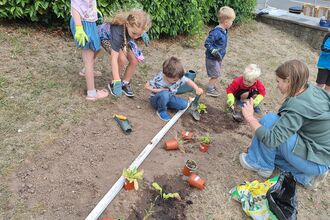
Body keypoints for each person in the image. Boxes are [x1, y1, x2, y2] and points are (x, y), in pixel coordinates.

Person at [239, 60, 330, 189]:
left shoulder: (297, 106)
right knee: (271, 148)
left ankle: (259, 164)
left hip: (316, 158)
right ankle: (305, 176)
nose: (277, 85)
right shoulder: (312, 90)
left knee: (269, 121)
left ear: (289, 81)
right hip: (321, 156)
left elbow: (272, 140)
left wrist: (250, 117)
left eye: (278, 81)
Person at [97, 9, 151, 97]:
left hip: (125, 37)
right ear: (127, 24)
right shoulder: (118, 32)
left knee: (134, 60)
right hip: (107, 37)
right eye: (135, 33)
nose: (137, 37)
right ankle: (113, 83)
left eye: (139, 34)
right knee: (121, 59)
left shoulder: (133, 29)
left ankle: (125, 83)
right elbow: (114, 59)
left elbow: (135, 32)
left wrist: (142, 33)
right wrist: (117, 80)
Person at [70, 0, 109, 101]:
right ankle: (91, 93)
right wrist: (79, 28)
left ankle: (85, 71)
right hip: (83, 25)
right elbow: (75, 7)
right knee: (88, 59)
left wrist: (93, 10)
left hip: (89, 22)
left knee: (97, 48)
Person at [145, 57, 203, 121]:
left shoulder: (178, 76)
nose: (177, 80)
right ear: (166, 75)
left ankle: (165, 105)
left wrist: (196, 88)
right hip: (155, 100)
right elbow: (147, 87)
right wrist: (159, 90)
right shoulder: (159, 78)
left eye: (178, 79)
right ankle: (161, 111)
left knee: (184, 105)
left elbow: (188, 81)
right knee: (164, 94)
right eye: (175, 80)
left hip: (169, 97)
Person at [204, 6, 236, 97]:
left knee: (216, 73)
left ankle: (212, 86)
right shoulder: (216, 32)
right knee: (216, 74)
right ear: (226, 22)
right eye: (232, 21)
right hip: (212, 58)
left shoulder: (224, 30)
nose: (232, 23)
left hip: (218, 57)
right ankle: (210, 89)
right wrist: (213, 50)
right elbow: (207, 43)